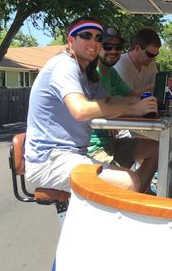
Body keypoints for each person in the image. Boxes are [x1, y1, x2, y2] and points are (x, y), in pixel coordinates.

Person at [24, 18, 158, 193]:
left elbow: (108, 103)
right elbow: (80, 110)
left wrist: (142, 103)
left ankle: (134, 202)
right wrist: (133, 108)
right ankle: (127, 206)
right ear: (71, 40)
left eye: (98, 38)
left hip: (76, 153)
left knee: (155, 150)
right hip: (50, 160)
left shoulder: (87, 73)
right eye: (86, 35)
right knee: (129, 181)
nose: (93, 42)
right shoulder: (64, 65)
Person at [87, 26, 159, 193]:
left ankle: (136, 197)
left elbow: (132, 96)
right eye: (108, 46)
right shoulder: (90, 74)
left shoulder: (110, 73)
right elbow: (92, 107)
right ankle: (130, 200)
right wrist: (116, 113)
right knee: (130, 181)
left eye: (118, 47)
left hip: (113, 141)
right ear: (97, 46)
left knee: (157, 149)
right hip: (93, 148)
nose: (114, 51)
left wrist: (147, 103)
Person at [114, 27, 172, 95]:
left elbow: (157, 88)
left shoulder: (150, 63)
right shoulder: (120, 65)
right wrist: (159, 86)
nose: (153, 59)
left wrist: (169, 84)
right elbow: (125, 98)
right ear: (137, 48)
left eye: (156, 55)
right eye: (150, 54)